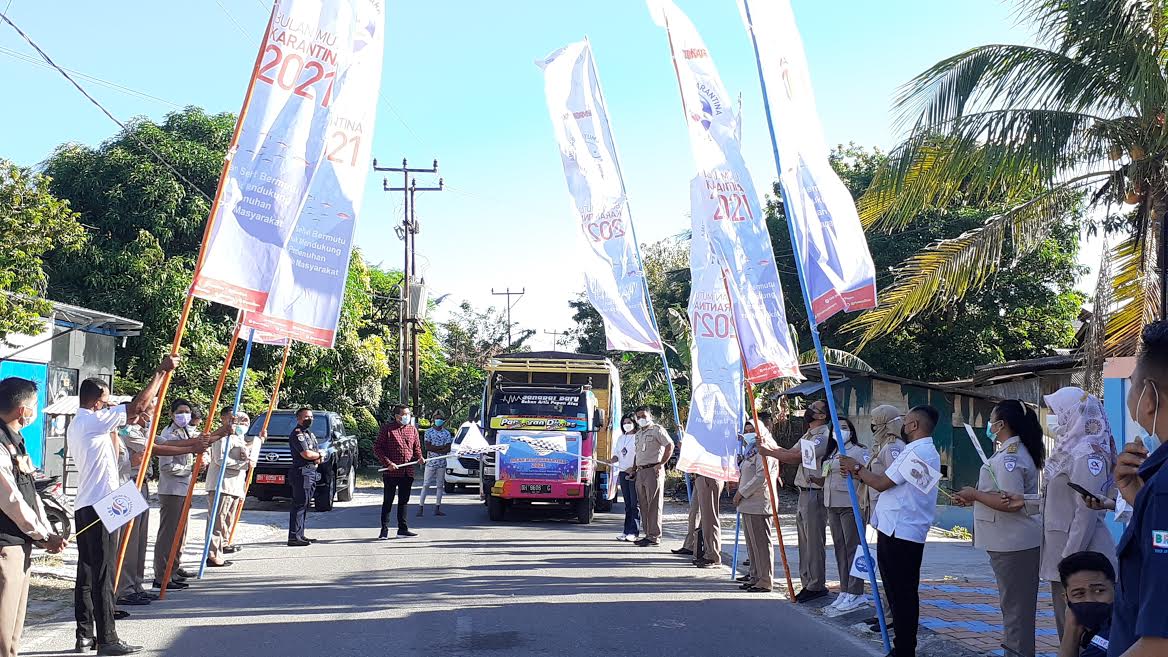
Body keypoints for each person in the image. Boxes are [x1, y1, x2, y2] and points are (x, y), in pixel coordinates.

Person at [69, 354, 177, 656]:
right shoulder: (93, 420)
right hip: (99, 506)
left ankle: (84, 635)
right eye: (106, 402)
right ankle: (108, 639)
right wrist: (160, 372)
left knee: (87, 573)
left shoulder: (82, 423)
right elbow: (138, 407)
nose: (109, 406)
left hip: (88, 503)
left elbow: (135, 418)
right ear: (96, 402)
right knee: (103, 574)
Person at [840, 405, 942, 657]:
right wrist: (859, 472)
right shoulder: (921, 450)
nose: (902, 426)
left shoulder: (915, 451)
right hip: (899, 528)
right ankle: (903, 646)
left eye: (906, 422)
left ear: (914, 425)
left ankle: (904, 649)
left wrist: (857, 468)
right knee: (900, 593)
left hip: (901, 530)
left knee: (901, 594)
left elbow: (881, 483)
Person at [953, 399, 1044, 657]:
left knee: (1016, 610)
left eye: (991, 420)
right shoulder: (1008, 452)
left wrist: (975, 494)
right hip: (1009, 540)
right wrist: (974, 497)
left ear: (1001, 424)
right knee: (1014, 607)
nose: (989, 425)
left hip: (1014, 542)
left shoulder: (1010, 457)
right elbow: (1000, 495)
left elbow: (1009, 502)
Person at [1109, 320, 1168, 657]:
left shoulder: (1163, 491)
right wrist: (1138, 500)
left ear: (1149, 397)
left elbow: (1160, 643)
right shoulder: (1155, 489)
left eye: (1132, 385)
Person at [1040, 387, 1117, 637]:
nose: (1052, 418)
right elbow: (1058, 500)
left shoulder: (1088, 453)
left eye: (1055, 411)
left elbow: (1086, 513)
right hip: (1065, 555)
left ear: (1073, 413)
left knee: (1080, 635)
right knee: (1068, 632)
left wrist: (1069, 562)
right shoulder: (1070, 449)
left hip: (1081, 558)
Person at [0, 378, 65, 657]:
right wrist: (41, 534)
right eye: (35, 405)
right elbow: (10, 499)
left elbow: (30, 493)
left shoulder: (16, 441)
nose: (35, 411)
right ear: (22, 410)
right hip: (6, 543)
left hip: (21, 541)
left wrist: (45, 532)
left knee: (13, 628)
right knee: (2, 628)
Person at [766, 399, 831, 602]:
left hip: (815, 492)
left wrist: (768, 452)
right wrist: (769, 447)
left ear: (822, 415)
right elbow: (790, 452)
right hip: (803, 492)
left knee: (814, 542)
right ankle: (807, 581)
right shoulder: (808, 434)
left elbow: (796, 458)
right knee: (804, 541)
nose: (809, 410)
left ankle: (816, 584)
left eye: (814, 408)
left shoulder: (823, 437)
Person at [815, 418, 870, 614]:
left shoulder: (858, 451)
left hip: (850, 504)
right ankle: (845, 589)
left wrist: (855, 472)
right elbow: (826, 473)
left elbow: (866, 473)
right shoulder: (832, 451)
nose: (840, 431)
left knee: (853, 548)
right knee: (840, 548)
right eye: (837, 428)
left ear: (851, 432)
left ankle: (856, 591)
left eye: (845, 428)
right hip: (832, 504)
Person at [152, 399, 208, 590]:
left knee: (180, 533)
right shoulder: (168, 435)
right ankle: (162, 574)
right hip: (172, 489)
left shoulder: (185, 432)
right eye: (180, 411)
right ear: (171, 414)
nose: (184, 415)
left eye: (187, 412)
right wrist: (189, 469)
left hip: (184, 488)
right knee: (168, 534)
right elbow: (166, 467)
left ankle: (173, 568)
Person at [115, 412, 153, 607]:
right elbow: (152, 446)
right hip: (126, 487)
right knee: (128, 542)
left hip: (140, 483)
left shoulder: (138, 430)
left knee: (139, 540)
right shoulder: (123, 432)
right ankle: (124, 588)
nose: (147, 415)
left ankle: (135, 584)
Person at [204, 410, 251, 568]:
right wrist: (242, 464)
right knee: (217, 521)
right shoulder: (222, 437)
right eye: (236, 420)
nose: (240, 423)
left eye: (243, 421)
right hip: (222, 484)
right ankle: (212, 555)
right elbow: (220, 459)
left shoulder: (238, 438)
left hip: (234, 485)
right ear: (224, 419)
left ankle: (221, 548)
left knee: (226, 521)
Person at [735, 428, 780, 593]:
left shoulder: (765, 449)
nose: (749, 433)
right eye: (746, 430)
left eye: (752, 430)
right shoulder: (751, 450)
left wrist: (741, 492)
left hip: (759, 502)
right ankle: (754, 576)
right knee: (752, 544)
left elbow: (762, 476)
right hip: (748, 503)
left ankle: (765, 580)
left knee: (761, 544)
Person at [374, 405, 424, 539]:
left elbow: (416, 448)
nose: (407, 416)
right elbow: (378, 448)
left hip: (407, 471)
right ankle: (384, 530)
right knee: (388, 501)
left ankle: (402, 529)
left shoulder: (412, 429)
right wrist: (388, 463)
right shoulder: (387, 429)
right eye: (404, 414)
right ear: (397, 416)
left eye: (408, 414)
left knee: (404, 501)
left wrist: (419, 458)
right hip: (391, 472)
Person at [1056, 551, 1116, 657]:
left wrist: (1070, 635)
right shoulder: (1086, 635)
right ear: (1066, 599)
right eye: (1079, 594)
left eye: (1099, 591)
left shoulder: (1119, 631)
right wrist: (1072, 630)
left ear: (1116, 590)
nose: (1090, 599)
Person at [631, 407, 673, 548]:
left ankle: (654, 536)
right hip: (641, 471)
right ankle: (648, 534)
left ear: (650, 415)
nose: (641, 419)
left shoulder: (657, 430)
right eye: (638, 417)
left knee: (654, 504)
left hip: (653, 470)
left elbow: (670, 445)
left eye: (643, 416)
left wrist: (661, 464)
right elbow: (637, 453)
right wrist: (634, 469)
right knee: (643, 504)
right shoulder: (638, 434)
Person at [287, 407, 323, 547]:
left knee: (306, 503)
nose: (310, 419)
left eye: (311, 417)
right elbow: (307, 454)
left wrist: (317, 456)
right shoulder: (298, 434)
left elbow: (315, 454)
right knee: (299, 504)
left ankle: (300, 534)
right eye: (306, 417)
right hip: (302, 472)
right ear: (299, 418)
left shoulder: (309, 434)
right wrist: (319, 455)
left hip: (311, 471)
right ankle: (294, 537)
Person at [417, 410, 453, 517]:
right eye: (437, 418)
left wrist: (436, 448)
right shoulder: (428, 432)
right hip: (430, 463)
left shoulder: (446, 433)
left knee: (440, 486)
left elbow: (448, 449)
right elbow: (428, 447)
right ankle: (420, 507)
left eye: (440, 419)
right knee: (426, 485)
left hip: (442, 463)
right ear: (433, 419)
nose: (438, 420)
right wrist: (441, 448)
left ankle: (437, 507)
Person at [612, 414, 641, 541]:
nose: (626, 425)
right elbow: (617, 455)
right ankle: (626, 531)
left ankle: (634, 532)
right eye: (624, 423)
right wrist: (609, 461)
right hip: (623, 473)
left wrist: (633, 469)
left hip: (634, 473)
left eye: (629, 422)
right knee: (628, 504)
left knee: (634, 504)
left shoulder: (638, 437)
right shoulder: (620, 438)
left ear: (634, 423)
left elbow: (639, 455)